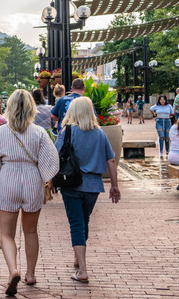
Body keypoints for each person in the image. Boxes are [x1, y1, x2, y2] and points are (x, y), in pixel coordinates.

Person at [0, 90, 59, 295]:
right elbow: (50, 163)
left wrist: (2, 175)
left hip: (8, 178)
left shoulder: (0, 132)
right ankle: (31, 274)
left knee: (6, 233)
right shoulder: (39, 133)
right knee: (31, 231)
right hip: (32, 180)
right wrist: (45, 178)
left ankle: (13, 270)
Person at [55, 97, 120, 284]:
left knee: (76, 224)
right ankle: (78, 257)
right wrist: (114, 186)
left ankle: (82, 270)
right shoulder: (100, 134)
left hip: (71, 184)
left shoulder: (67, 132)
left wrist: (49, 180)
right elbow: (111, 161)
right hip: (93, 187)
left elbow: (54, 156)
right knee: (84, 221)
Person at [150, 95, 175, 159]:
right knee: (161, 136)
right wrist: (154, 115)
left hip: (167, 121)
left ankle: (167, 151)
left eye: (163, 99)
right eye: (161, 99)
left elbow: (172, 113)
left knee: (167, 137)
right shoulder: (157, 106)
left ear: (166, 100)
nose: (162, 101)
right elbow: (151, 109)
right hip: (159, 121)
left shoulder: (169, 106)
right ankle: (161, 152)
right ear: (159, 100)